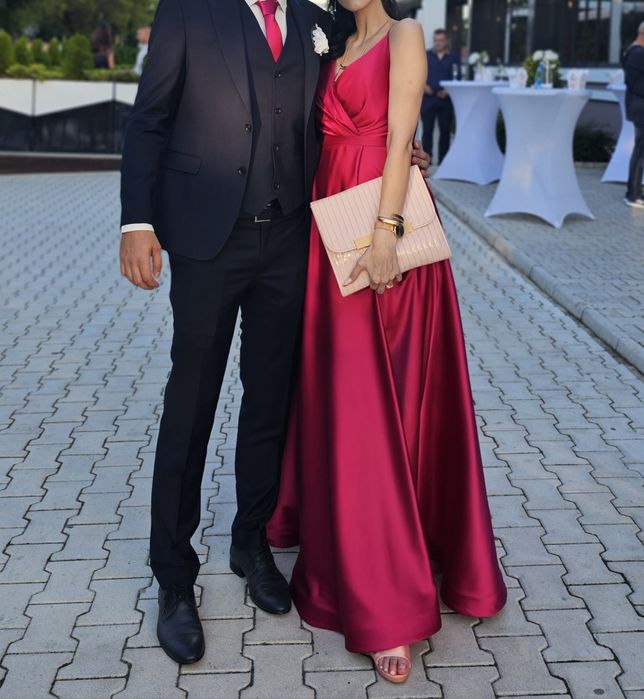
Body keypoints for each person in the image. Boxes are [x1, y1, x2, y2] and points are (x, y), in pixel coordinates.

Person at [119, 0, 429, 667]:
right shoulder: (188, 11)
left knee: (270, 400)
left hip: (292, 239)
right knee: (191, 402)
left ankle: (250, 541)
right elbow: (148, 118)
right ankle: (173, 576)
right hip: (207, 240)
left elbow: (357, 99)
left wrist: (400, 153)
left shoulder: (321, 22)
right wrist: (136, 222)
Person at [266, 0, 507, 685]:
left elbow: (401, 139)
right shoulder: (334, 42)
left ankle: (388, 600)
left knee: (382, 405)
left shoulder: (405, 34)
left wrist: (385, 235)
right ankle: (352, 543)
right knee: (344, 403)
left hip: (379, 232)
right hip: (329, 229)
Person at [420, 28, 460, 164]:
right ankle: (427, 162)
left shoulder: (453, 57)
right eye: (436, 40)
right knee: (427, 131)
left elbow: (457, 77)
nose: (438, 43)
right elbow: (418, 72)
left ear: (446, 41)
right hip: (428, 99)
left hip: (445, 100)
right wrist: (424, 86)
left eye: (441, 40)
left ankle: (443, 163)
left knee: (445, 132)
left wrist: (449, 90)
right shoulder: (426, 55)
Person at [622, 21, 644, 209]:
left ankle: (634, 192)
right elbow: (638, 84)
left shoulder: (631, 51)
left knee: (640, 150)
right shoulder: (638, 54)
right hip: (641, 108)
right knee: (640, 151)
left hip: (637, 107)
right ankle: (633, 194)